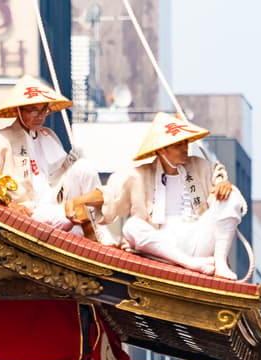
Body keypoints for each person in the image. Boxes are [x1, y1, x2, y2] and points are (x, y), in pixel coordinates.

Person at [68, 112, 246, 279]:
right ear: (162, 150)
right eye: (178, 144)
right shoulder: (138, 176)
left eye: (186, 143)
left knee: (231, 198)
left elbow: (219, 179)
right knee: (132, 226)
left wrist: (223, 185)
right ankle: (189, 263)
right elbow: (110, 196)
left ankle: (220, 264)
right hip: (162, 247)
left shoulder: (201, 167)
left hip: (199, 241)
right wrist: (82, 201)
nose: (185, 148)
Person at [0, 76, 112, 242]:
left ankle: (97, 229)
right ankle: (91, 228)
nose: (40, 116)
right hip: (31, 209)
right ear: (18, 110)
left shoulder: (48, 135)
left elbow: (62, 173)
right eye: (33, 111)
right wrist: (10, 206)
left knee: (83, 167)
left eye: (43, 110)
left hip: (57, 200)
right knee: (73, 215)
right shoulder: (1, 139)